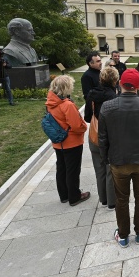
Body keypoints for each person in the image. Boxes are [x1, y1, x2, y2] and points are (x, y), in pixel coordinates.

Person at [99, 69, 139, 248]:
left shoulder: (107, 107)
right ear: (138, 87)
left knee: (121, 199)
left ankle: (124, 234)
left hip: (119, 162)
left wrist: (106, 159)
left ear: (120, 84)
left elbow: (102, 138)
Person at [46, 75, 90, 206]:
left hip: (58, 142)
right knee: (73, 170)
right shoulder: (67, 105)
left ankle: (64, 195)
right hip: (72, 142)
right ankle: (74, 196)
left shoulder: (50, 103)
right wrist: (84, 127)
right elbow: (77, 125)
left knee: (62, 168)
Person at [84, 67, 118, 210]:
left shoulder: (92, 94)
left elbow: (86, 117)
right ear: (115, 80)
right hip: (110, 139)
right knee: (110, 170)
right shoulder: (114, 98)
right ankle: (112, 202)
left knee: (99, 170)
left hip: (95, 137)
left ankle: (103, 199)